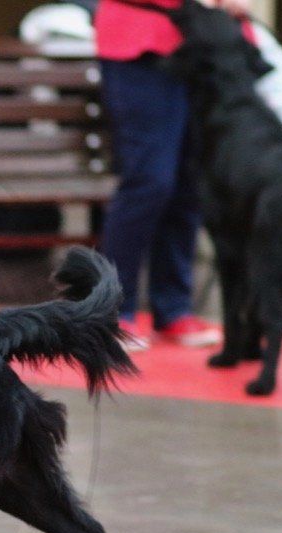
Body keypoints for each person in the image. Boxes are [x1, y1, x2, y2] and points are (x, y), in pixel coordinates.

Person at [95, 0, 254, 350]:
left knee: (189, 183)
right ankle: (110, 313)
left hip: (199, 45)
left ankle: (174, 309)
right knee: (149, 180)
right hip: (140, 44)